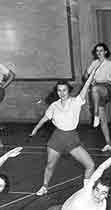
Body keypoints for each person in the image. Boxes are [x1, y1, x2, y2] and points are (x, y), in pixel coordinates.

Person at [30, 64, 101, 196]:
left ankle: (86, 190)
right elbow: (45, 118)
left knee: (90, 164)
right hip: (57, 138)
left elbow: (85, 86)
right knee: (50, 165)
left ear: (69, 90)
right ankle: (44, 186)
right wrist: (35, 130)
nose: (61, 93)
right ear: (56, 92)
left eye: (64, 90)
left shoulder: (76, 101)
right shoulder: (54, 105)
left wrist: (93, 73)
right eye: (59, 90)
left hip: (72, 138)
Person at [86, 42, 111, 152]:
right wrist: (90, 79)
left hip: (107, 88)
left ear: (105, 52)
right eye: (97, 51)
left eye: (101, 50)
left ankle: (95, 114)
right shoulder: (94, 63)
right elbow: (86, 75)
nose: (99, 53)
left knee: (95, 89)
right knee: (103, 120)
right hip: (97, 92)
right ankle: (108, 143)